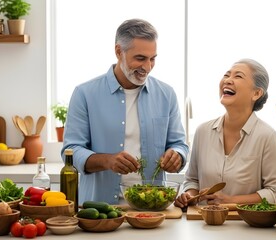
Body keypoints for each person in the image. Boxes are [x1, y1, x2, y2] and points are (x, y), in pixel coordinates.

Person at [62, 18, 189, 205]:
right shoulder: (84, 94)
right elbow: (70, 152)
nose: (147, 67)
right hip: (100, 211)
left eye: (152, 59)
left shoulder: (166, 94)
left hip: (152, 209)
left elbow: (179, 144)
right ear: (118, 52)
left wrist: (178, 155)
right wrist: (107, 161)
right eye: (140, 58)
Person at [174, 58, 276, 208]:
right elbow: (192, 180)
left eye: (238, 76)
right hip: (203, 224)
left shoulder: (268, 137)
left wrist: (230, 200)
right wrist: (189, 195)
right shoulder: (202, 132)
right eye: (226, 75)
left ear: (256, 93)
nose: (228, 80)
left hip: (245, 226)